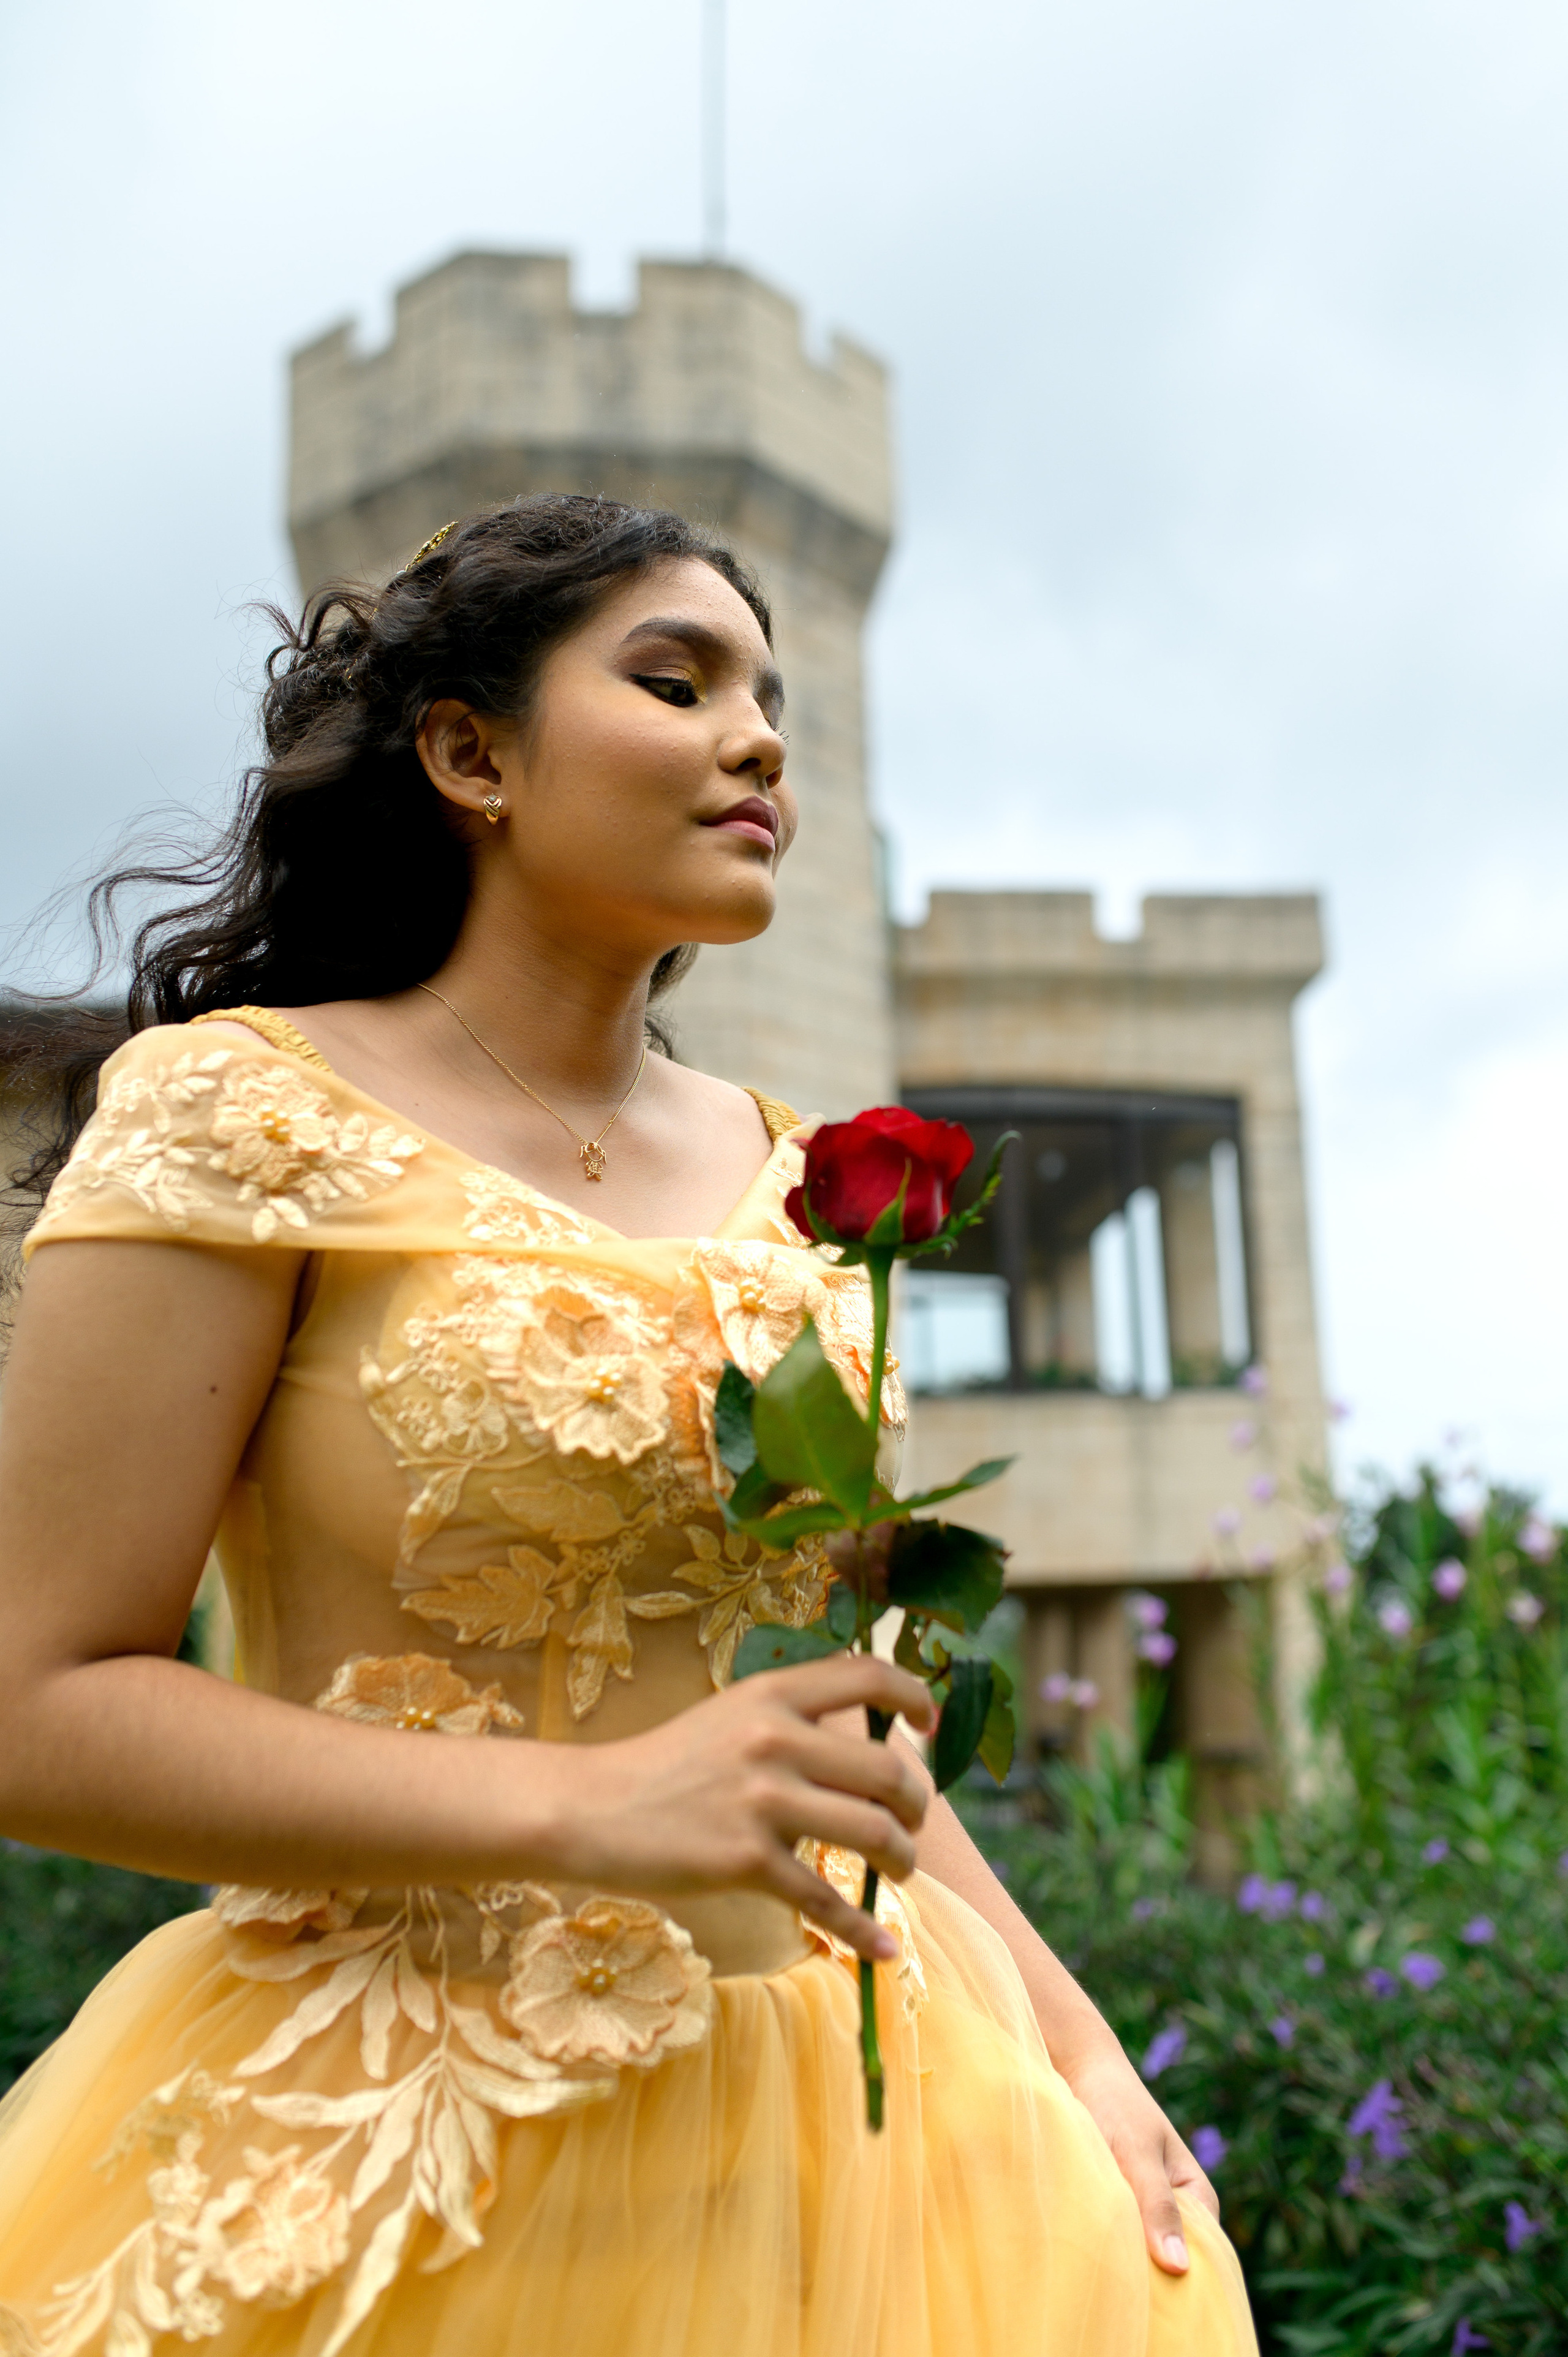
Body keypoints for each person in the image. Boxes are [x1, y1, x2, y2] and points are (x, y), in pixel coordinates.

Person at [0, 494, 1255, 2356]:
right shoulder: (236, 1110)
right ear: (470, 753)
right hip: (402, 2139)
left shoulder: (801, 1181)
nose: (756, 739)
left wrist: (1073, 2041)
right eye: (675, 683)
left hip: (861, 2135)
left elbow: (825, 1713)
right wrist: (588, 1805)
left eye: (773, 705)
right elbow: (34, 1702)